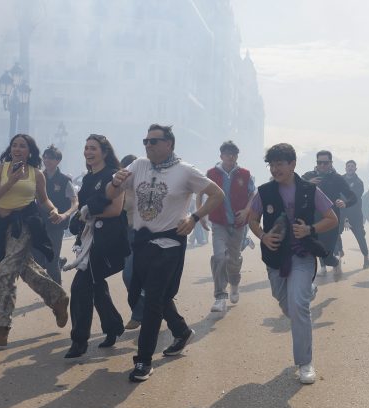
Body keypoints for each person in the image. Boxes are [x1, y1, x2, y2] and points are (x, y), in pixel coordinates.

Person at [107, 124, 224, 382]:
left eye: (153, 141)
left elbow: (217, 194)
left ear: (169, 144)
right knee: (142, 294)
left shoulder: (185, 171)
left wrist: (194, 218)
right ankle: (181, 331)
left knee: (152, 302)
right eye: (145, 141)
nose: (148, 145)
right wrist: (114, 183)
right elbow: (111, 193)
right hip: (141, 242)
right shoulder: (138, 165)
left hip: (169, 245)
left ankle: (143, 360)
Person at [248, 143, 338, 384]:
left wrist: (310, 229)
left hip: (302, 255)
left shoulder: (309, 190)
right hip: (275, 258)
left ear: (293, 164)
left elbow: (332, 218)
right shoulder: (264, 192)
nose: (275, 169)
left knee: (298, 306)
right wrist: (263, 236)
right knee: (288, 305)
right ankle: (309, 291)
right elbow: (252, 219)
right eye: (271, 164)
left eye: (280, 164)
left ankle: (305, 362)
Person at [0, 134, 69, 346]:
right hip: (3, 226)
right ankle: (58, 297)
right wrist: (10, 181)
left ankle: (2, 328)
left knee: (5, 272)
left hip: (25, 224)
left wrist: (54, 211)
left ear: (30, 152)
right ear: (10, 149)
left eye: (23, 146)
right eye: (14, 145)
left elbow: (44, 200)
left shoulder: (36, 174)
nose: (17, 149)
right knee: (26, 269)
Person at [63, 135, 130, 358]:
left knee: (80, 287)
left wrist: (86, 215)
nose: (88, 152)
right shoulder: (88, 178)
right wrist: (78, 217)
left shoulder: (114, 175)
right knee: (95, 284)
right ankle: (113, 326)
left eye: (93, 148)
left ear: (105, 152)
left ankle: (79, 341)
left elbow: (116, 210)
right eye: (86, 148)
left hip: (107, 240)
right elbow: (83, 207)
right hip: (89, 239)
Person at [201, 140, 256, 313]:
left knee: (234, 259)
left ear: (237, 156)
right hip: (219, 223)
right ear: (221, 156)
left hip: (239, 224)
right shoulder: (211, 173)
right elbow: (201, 192)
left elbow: (253, 193)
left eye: (234, 154)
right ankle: (220, 296)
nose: (231, 157)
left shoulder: (245, 174)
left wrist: (246, 211)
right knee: (219, 257)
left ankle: (234, 284)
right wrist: (200, 214)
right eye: (227, 154)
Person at [302, 151, 356, 277]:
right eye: (319, 162)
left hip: (331, 219)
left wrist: (345, 203)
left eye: (325, 163)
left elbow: (352, 196)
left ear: (331, 163)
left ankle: (335, 262)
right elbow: (293, 188)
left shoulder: (337, 178)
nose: (322, 165)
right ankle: (321, 269)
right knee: (312, 249)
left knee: (327, 254)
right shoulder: (308, 176)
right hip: (312, 218)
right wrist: (308, 184)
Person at [33, 145, 78, 285]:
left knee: (51, 264)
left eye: (51, 158)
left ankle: (58, 293)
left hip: (56, 225)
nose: (46, 160)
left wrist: (65, 215)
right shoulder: (38, 177)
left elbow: (75, 202)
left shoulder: (65, 180)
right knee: (36, 259)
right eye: (45, 157)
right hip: (38, 224)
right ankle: (58, 261)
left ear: (58, 160)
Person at [120, 154, 144, 330]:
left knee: (132, 274)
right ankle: (140, 311)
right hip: (126, 234)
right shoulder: (119, 188)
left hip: (144, 234)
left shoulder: (145, 186)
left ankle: (140, 314)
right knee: (130, 275)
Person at [336, 160, 369, 269]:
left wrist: (346, 207)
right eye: (348, 166)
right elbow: (336, 194)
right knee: (335, 233)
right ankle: (340, 251)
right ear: (345, 168)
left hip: (355, 214)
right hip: (341, 212)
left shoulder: (359, 182)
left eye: (352, 166)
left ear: (355, 169)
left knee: (360, 236)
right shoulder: (339, 179)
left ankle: (366, 256)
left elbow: (354, 198)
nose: (350, 168)